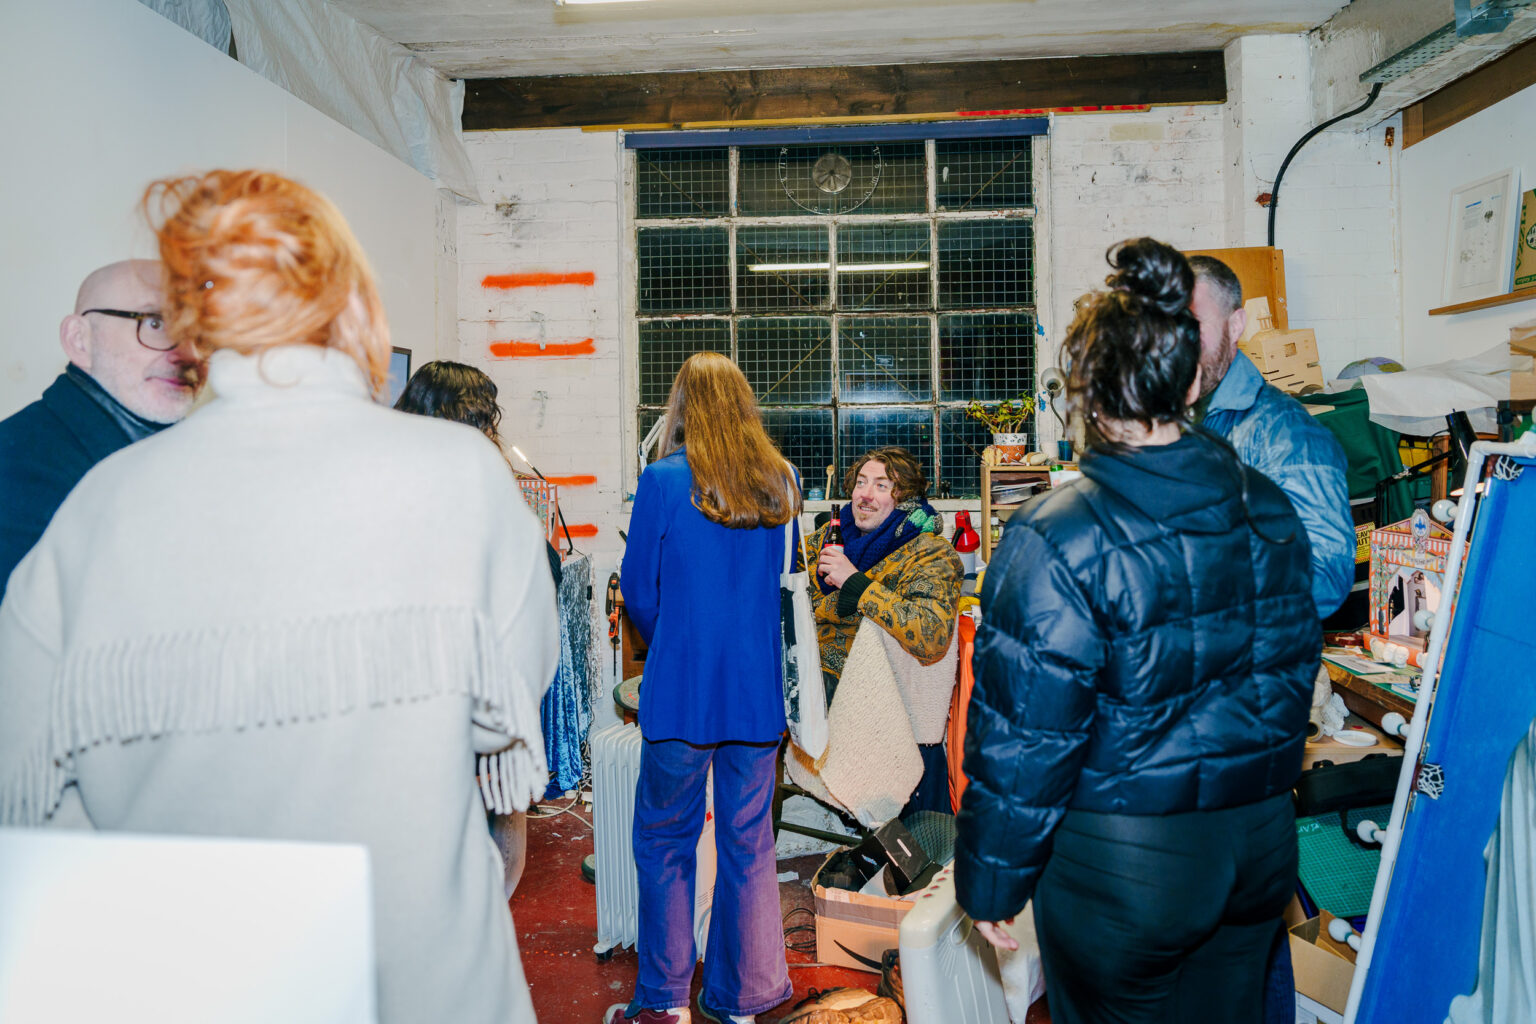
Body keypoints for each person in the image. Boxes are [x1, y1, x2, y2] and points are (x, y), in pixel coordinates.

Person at [0, 170, 558, 1024]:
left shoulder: (98, 509)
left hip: (197, 984)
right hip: (420, 983)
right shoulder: (458, 477)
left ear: (193, 321)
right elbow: (510, 712)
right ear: (353, 309)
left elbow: (33, 792)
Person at [955, 238, 1321, 1024]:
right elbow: (1292, 681)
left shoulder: (1058, 531)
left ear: (1086, 391)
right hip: (1257, 847)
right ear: (1191, 378)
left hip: (1128, 866)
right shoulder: (1270, 506)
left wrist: (991, 881)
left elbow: (1027, 735)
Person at [613, 351, 797, 1024]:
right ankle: (743, 1000)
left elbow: (638, 593)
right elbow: (786, 589)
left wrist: (677, 643)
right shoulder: (782, 479)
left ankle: (666, 1000)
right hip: (755, 698)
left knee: (665, 841)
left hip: (681, 694)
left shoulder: (662, 480)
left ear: (683, 407)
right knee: (749, 843)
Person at [0, 259, 201, 599]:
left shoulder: (200, 457)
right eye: (155, 323)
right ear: (79, 340)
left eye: (201, 330)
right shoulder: (15, 466)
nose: (189, 353)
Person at [1188, 254, 1353, 617]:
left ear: (1236, 326)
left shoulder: (1289, 435)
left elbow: (1326, 578)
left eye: (1195, 325)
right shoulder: (1177, 419)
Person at [804, 447, 962, 814]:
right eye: (860, 483)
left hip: (885, 697)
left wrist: (855, 585)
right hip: (813, 686)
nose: (865, 495)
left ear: (904, 498)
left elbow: (930, 634)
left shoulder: (930, 553)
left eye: (881, 486)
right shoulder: (823, 541)